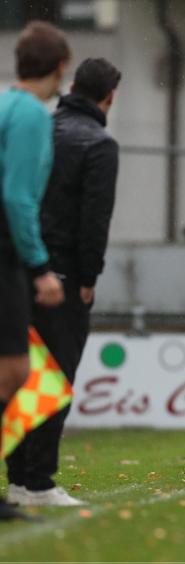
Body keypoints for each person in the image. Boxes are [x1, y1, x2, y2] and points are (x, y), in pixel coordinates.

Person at [6, 58, 121, 507]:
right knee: (55, 377)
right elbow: (94, 218)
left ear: (72, 86)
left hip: (21, 268)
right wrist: (89, 276)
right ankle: (37, 481)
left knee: (20, 375)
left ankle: (18, 476)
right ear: (109, 96)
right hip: (65, 275)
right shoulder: (99, 145)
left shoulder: (41, 128)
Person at [0, 21, 70, 521]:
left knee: (14, 371)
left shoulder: (3, 103)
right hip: (5, 252)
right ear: (61, 68)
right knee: (13, 371)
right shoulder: (29, 113)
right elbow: (17, 196)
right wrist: (40, 265)